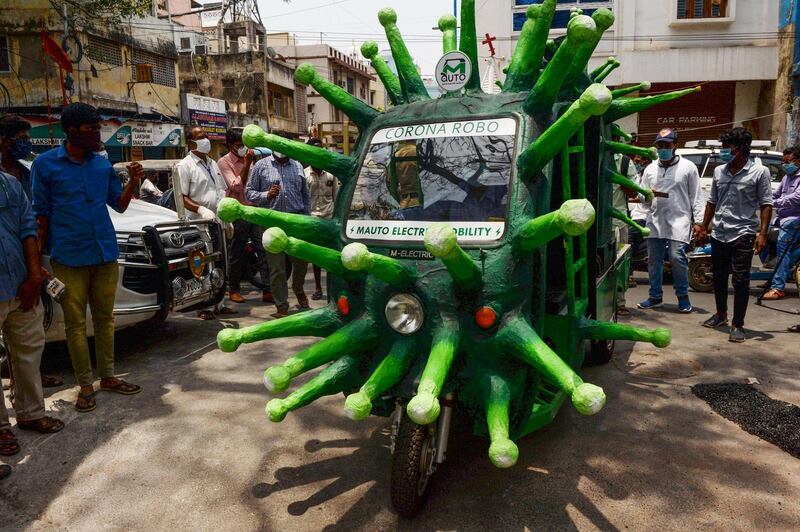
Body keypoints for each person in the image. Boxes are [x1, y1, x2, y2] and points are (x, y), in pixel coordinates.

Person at [32, 102, 143, 412]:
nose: (97, 134)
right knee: (76, 324)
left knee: (106, 320)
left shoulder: (102, 165)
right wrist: (39, 261)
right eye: (90, 129)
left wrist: (133, 182)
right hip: (68, 257)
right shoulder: (45, 165)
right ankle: (84, 386)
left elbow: (118, 206)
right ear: (71, 131)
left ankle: (108, 377)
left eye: (98, 128)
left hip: (105, 252)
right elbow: (40, 215)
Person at [0, 170, 65, 458]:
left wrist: (34, 276)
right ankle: (1, 427)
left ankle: (30, 413)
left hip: (19, 284)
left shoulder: (9, 183)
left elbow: (28, 229)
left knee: (29, 351)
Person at [0, 115, 65, 390]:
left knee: (29, 333)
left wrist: (35, 266)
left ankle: (28, 383)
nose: (26, 144)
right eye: (21, 139)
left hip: (27, 262)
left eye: (28, 139)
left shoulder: (26, 175)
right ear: (4, 142)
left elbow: (33, 222)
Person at [699, 128, 773, 342]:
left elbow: (766, 204)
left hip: (743, 233)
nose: (723, 151)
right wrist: (704, 226)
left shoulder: (760, 172)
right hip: (720, 232)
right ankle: (721, 314)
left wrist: (762, 233)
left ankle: (738, 324)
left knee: (740, 280)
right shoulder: (719, 171)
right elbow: (712, 201)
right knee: (720, 278)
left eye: (727, 147)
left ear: (740, 149)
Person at [636, 128, 705, 313]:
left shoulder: (688, 167)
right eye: (659, 145)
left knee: (676, 258)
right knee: (654, 261)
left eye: (666, 145)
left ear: (675, 145)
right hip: (656, 220)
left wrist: (699, 221)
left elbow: (696, 196)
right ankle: (655, 296)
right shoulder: (650, 168)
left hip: (679, 220)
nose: (662, 149)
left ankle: (682, 296)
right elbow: (642, 195)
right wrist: (646, 196)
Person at [175, 125, 235, 320]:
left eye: (206, 136)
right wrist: (201, 209)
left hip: (217, 222)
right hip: (199, 224)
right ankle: (205, 306)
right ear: (191, 142)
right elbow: (181, 196)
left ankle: (219, 302)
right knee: (203, 265)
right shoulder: (185, 166)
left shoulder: (212, 163)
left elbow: (221, 191)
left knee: (221, 262)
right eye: (200, 137)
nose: (205, 140)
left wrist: (226, 219)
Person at [247, 139, 311, 318]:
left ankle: (298, 288)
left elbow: (305, 195)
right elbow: (249, 192)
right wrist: (265, 195)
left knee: (301, 262)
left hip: (295, 220)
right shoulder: (261, 165)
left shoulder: (297, 166)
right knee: (277, 267)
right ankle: (281, 305)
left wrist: (307, 220)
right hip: (271, 223)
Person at [217, 128, 271, 303]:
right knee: (237, 253)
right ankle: (234, 289)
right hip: (238, 212)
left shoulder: (252, 160)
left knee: (262, 249)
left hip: (254, 210)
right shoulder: (224, 162)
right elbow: (237, 187)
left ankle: (267, 289)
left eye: (244, 145)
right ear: (230, 145)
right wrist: (247, 164)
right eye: (239, 145)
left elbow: (255, 185)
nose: (242, 149)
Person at [761, 146, 800, 301]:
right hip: (781, 219)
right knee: (763, 238)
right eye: (783, 161)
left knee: (782, 246)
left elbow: (796, 198)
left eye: (788, 161)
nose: (785, 164)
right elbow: (776, 193)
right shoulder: (787, 177)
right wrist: (765, 199)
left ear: (797, 161)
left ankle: (778, 287)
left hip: (795, 220)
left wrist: (775, 203)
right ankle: (772, 278)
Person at [305, 138, 336, 300]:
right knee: (317, 257)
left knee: (331, 256)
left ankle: (332, 287)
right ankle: (318, 288)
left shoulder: (330, 174)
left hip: (329, 218)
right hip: (313, 220)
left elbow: (336, 197)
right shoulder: (304, 174)